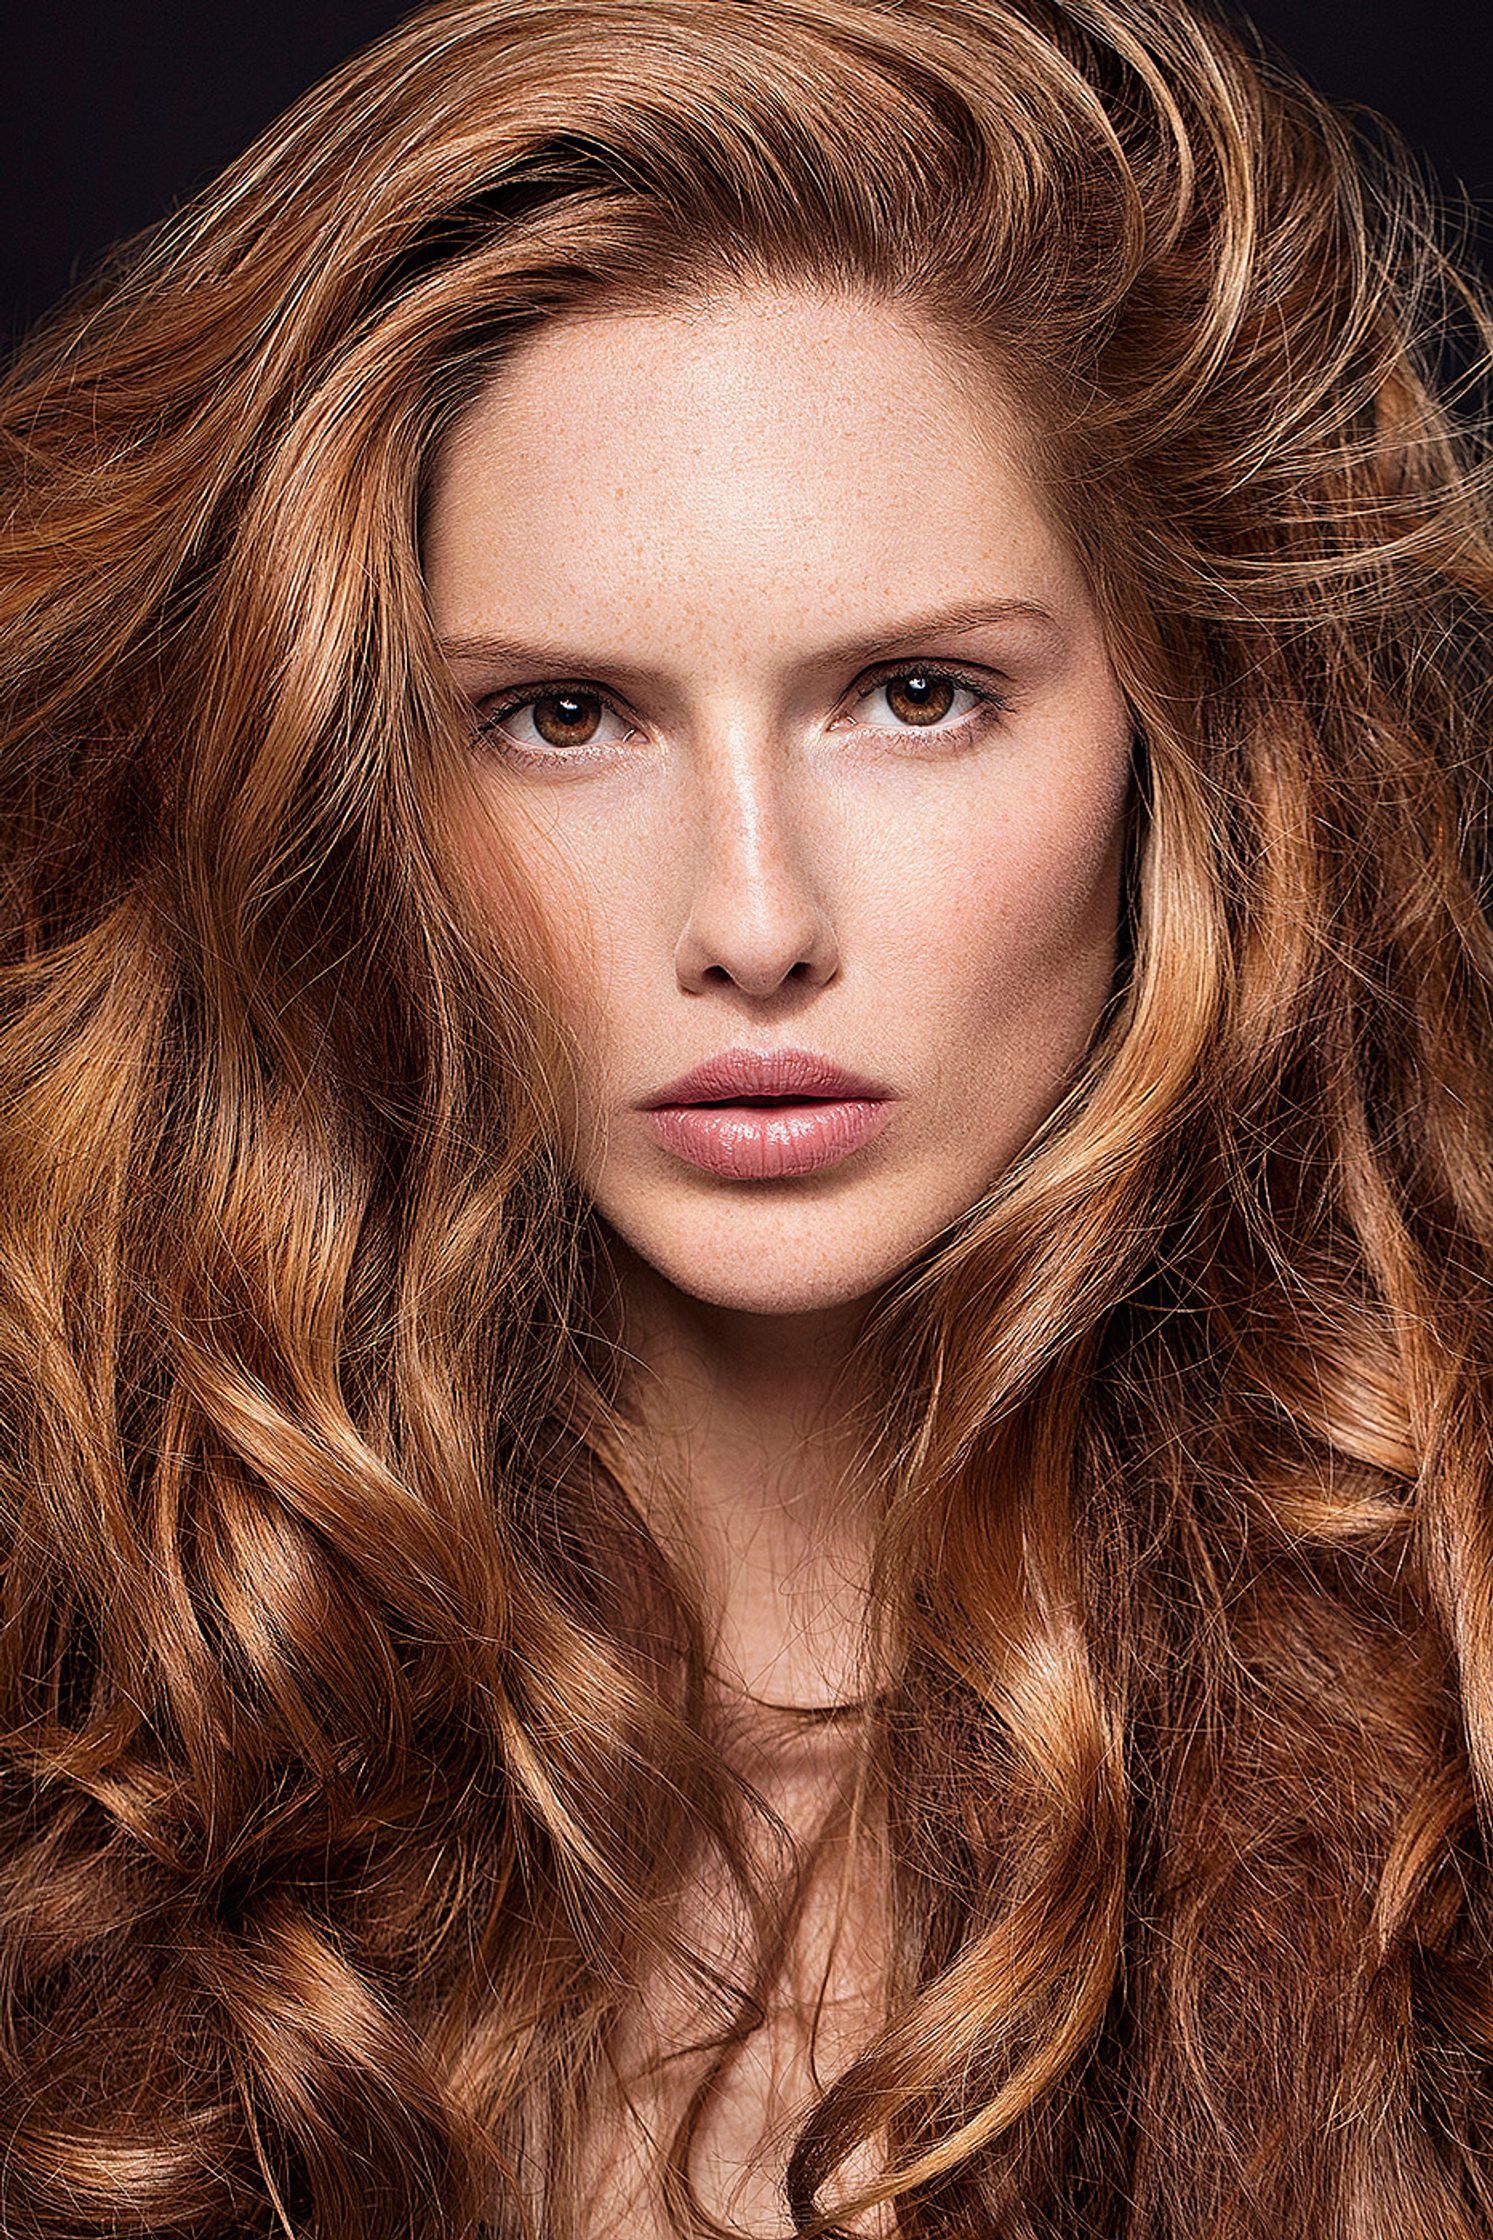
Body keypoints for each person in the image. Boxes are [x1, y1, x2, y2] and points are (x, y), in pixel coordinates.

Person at [2, 0, 1492, 2233]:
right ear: (355, 789)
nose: (754, 921)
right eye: (565, 717)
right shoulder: (101, 1693)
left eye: (917, 696)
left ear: (1183, 736)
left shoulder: (1449, 1707)